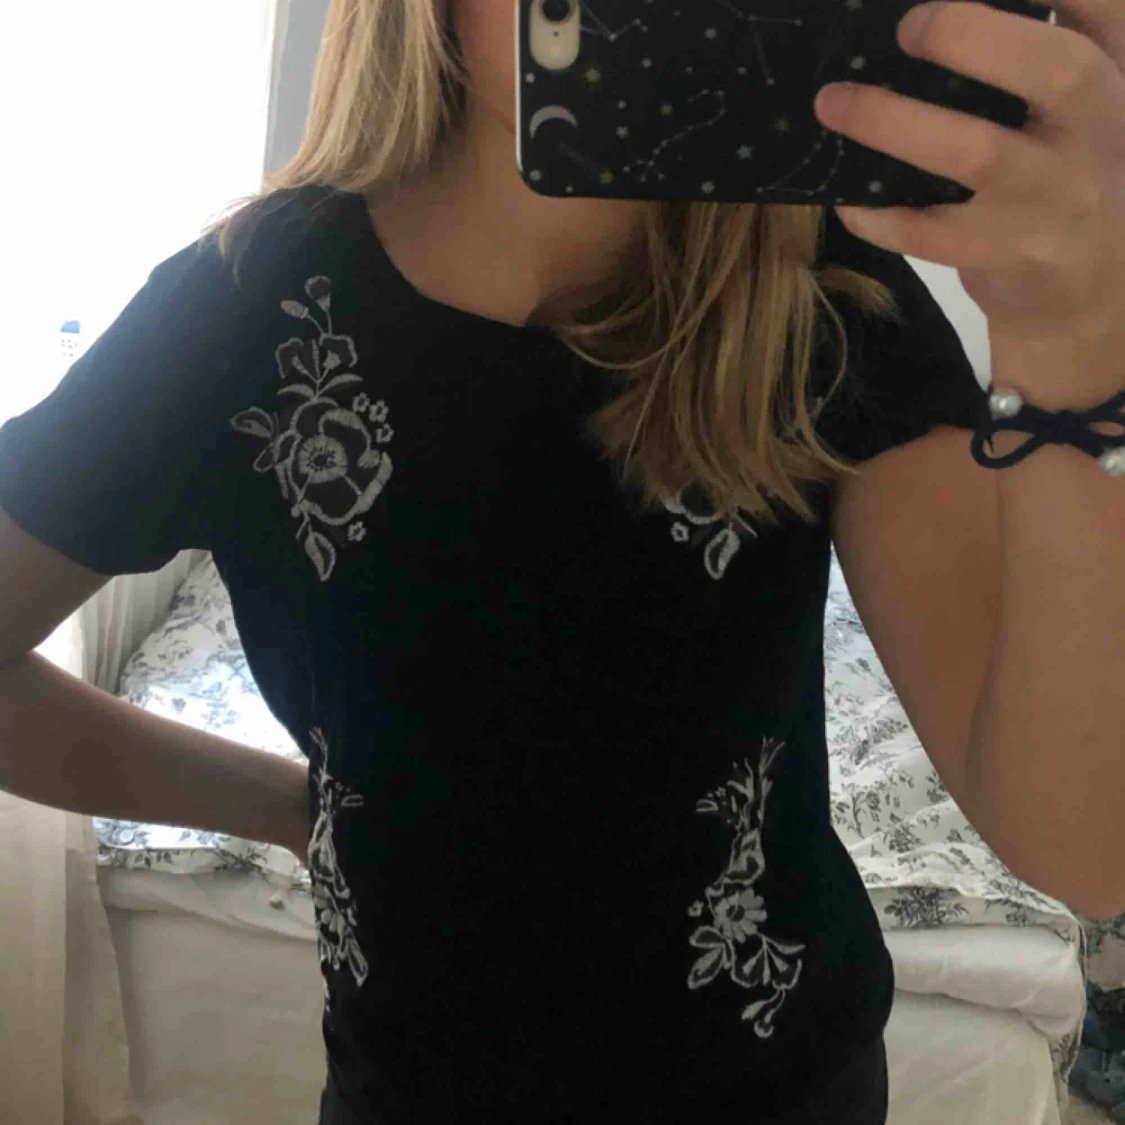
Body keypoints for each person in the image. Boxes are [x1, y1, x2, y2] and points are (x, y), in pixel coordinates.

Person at [0, 1, 997, 1122]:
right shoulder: (244, 309)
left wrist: (1074, 334)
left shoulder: (820, 292)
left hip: (787, 1088)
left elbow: (1083, 845)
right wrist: (289, 806)